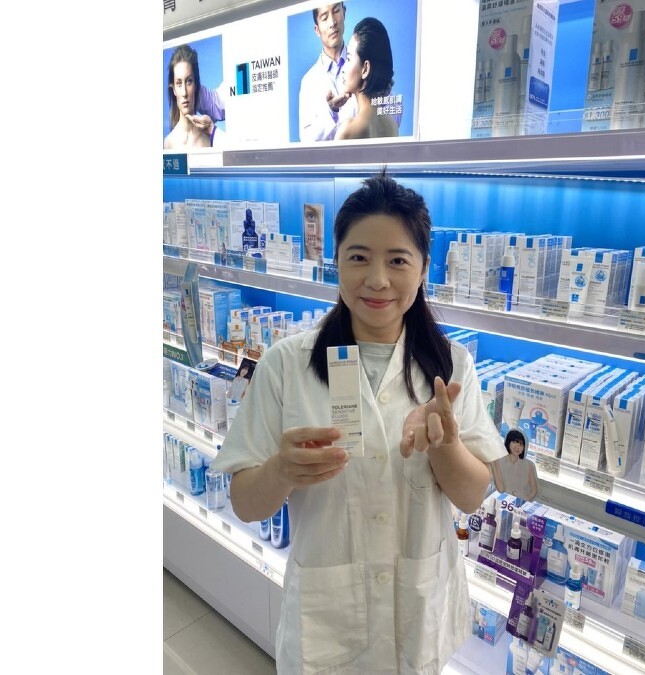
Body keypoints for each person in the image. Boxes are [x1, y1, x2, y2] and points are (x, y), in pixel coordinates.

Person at [210, 171, 506, 673]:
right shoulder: (286, 363)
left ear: (424, 267)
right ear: (336, 262)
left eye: (398, 260)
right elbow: (245, 503)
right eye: (359, 257)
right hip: (326, 624)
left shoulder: (452, 366)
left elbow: (471, 495)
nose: (378, 279)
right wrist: (282, 470)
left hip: (417, 616)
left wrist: (445, 446)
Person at [297, 3, 358, 142]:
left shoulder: (363, 63)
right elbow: (307, 140)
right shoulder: (308, 81)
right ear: (317, 30)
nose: (332, 23)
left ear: (344, 12)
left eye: (336, 11)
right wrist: (331, 110)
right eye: (324, 18)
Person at [334, 17, 399, 141]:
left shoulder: (347, 131)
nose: (343, 68)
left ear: (365, 69)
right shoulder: (392, 126)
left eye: (348, 59)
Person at [164, 45, 213, 150]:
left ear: (196, 85)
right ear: (173, 90)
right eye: (179, 83)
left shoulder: (209, 138)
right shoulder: (168, 143)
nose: (184, 92)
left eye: (189, 81)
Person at [491, 429, 538, 502]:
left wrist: (523, 501)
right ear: (508, 442)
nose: (517, 447)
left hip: (520, 503)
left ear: (524, 448)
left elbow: (534, 491)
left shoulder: (529, 465)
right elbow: (500, 489)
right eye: (514, 442)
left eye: (521, 444)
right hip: (501, 501)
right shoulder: (498, 461)